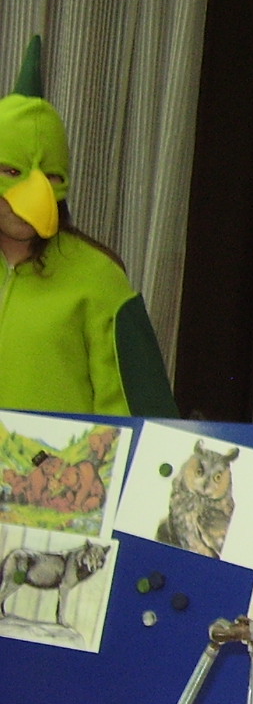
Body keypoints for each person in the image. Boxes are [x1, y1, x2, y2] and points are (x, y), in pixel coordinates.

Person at [0, 35, 175, 417]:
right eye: (11, 172)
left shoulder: (99, 279)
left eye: (51, 176)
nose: (33, 195)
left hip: (61, 459)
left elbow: (143, 417)